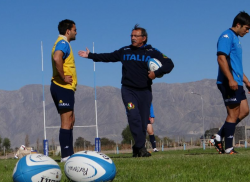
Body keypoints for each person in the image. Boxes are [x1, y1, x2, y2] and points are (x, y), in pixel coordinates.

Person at [78, 24, 174, 157]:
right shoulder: (125, 50)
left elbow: (170, 64)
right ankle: (141, 147)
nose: (133, 38)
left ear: (144, 38)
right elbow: (109, 57)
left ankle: (138, 147)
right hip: (128, 91)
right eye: (131, 36)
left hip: (145, 92)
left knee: (142, 121)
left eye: (136, 36)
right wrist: (90, 55)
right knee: (133, 115)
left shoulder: (152, 52)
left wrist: (156, 73)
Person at [214, 11, 250, 154]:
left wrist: (247, 81)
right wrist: (230, 79)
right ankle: (229, 148)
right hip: (228, 81)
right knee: (233, 113)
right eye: (247, 28)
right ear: (238, 24)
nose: (248, 31)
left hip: (237, 81)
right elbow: (221, 59)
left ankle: (219, 136)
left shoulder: (236, 39)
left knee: (244, 111)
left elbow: (235, 65)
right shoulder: (226, 36)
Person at [51, 19, 77, 162]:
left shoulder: (63, 43)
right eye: (74, 29)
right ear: (68, 31)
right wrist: (63, 77)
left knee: (71, 119)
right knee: (66, 121)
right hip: (62, 87)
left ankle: (70, 153)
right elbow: (57, 58)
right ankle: (66, 156)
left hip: (66, 88)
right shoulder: (63, 43)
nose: (76, 32)